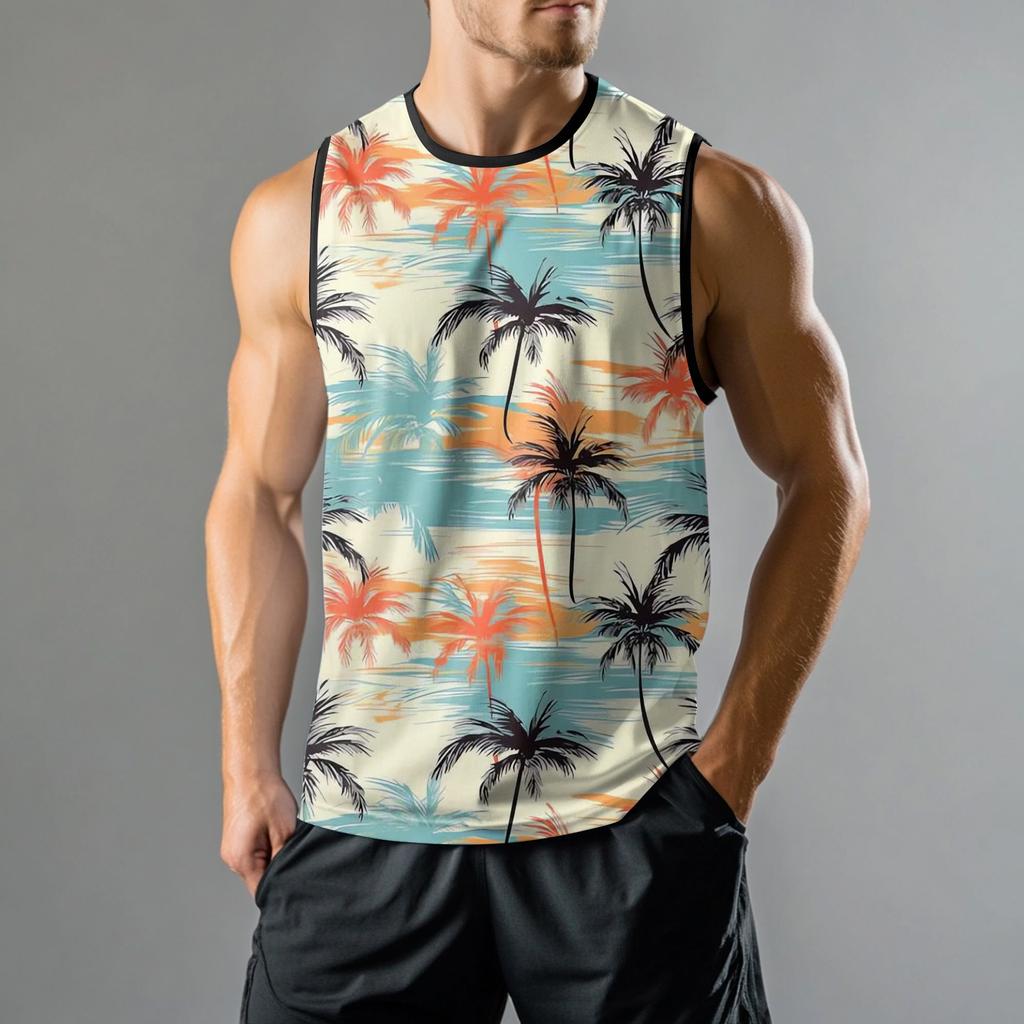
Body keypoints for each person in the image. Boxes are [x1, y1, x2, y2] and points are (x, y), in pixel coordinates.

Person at [205, 1, 870, 1020]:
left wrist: (732, 769)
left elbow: (827, 478)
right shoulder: (309, 210)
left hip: (629, 819)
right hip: (369, 815)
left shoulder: (705, 202)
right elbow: (259, 489)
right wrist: (245, 764)